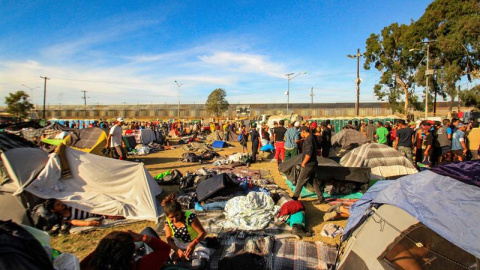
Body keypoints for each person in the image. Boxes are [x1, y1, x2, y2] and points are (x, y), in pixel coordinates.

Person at [80, 229, 170, 270]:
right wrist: (142, 237)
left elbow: (98, 253)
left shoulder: (88, 265)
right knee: (147, 231)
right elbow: (164, 249)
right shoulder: (139, 266)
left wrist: (110, 244)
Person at [162, 194, 208, 268]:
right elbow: (169, 240)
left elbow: (202, 233)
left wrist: (193, 244)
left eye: (177, 215)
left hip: (195, 242)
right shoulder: (167, 222)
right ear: (167, 216)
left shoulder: (190, 217)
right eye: (171, 217)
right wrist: (177, 250)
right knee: (168, 258)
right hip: (179, 244)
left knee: (198, 264)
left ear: (180, 211)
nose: (175, 219)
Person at [292, 126, 323, 204]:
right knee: (313, 181)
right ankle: (321, 198)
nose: (300, 135)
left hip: (309, 164)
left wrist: (304, 163)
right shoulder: (312, 138)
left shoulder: (308, 140)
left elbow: (309, 153)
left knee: (300, 180)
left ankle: (295, 198)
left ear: (304, 132)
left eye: (300, 133)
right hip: (313, 162)